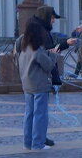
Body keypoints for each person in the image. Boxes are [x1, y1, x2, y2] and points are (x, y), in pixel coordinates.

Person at [17, 20, 58, 151]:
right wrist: (53, 55)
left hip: (26, 85)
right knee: (40, 115)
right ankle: (38, 143)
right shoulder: (37, 50)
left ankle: (27, 143)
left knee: (29, 115)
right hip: (39, 85)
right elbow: (49, 65)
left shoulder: (23, 48)